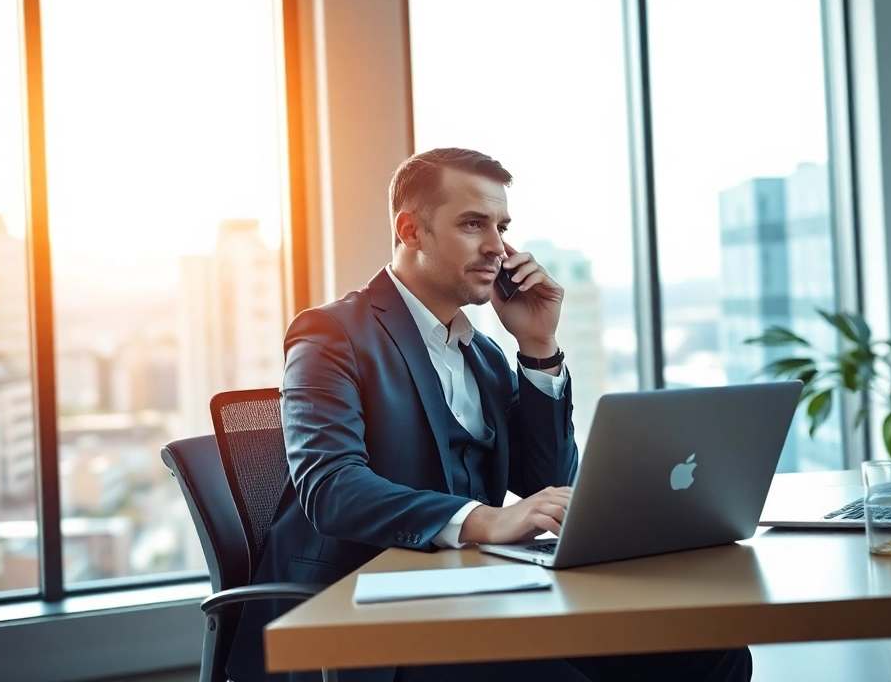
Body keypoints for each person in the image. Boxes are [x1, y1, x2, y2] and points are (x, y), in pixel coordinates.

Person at [227, 148, 752, 682]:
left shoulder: (485, 355)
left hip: (472, 595)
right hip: (364, 617)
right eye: (473, 224)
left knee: (713, 653)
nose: (497, 248)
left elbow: (547, 483)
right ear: (410, 230)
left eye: (501, 227)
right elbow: (332, 488)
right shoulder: (331, 333)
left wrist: (539, 346)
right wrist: (485, 519)